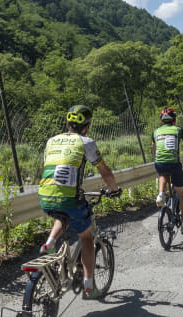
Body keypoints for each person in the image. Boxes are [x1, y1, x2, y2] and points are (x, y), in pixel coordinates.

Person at [38, 104, 121, 300]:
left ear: (67, 124)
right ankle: (89, 287)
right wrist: (115, 189)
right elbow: (105, 171)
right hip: (69, 198)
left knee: (64, 213)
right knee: (86, 237)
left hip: (45, 196)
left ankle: (49, 243)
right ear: (86, 126)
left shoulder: (51, 141)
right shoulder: (86, 142)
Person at [153, 108, 183, 235]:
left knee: (163, 174)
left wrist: (158, 160)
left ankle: (161, 194)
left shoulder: (156, 132)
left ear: (162, 121)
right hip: (174, 164)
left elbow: (154, 149)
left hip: (159, 163)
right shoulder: (178, 130)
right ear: (174, 120)